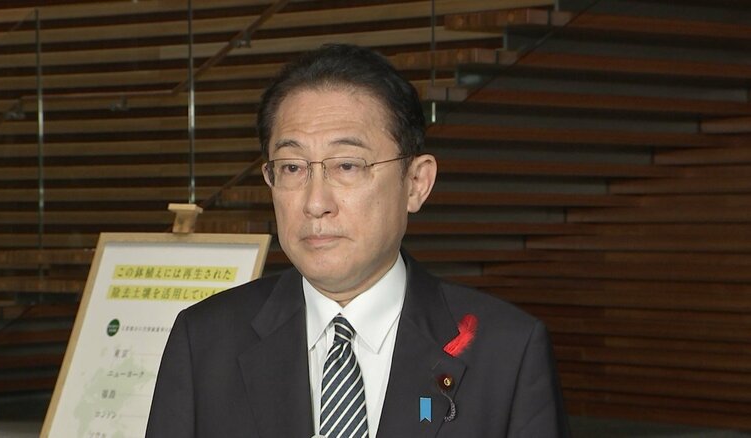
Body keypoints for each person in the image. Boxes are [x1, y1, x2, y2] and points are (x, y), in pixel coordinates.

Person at [146, 43, 570, 438]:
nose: (315, 203)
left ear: (416, 183)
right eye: (292, 168)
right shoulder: (204, 341)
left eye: (347, 165)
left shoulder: (508, 351)